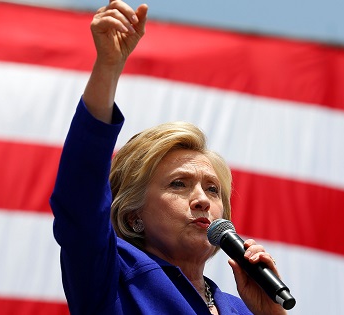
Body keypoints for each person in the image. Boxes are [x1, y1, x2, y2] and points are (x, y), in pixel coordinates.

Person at [50, 1, 288, 314]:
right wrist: (107, 67)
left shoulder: (242, 308)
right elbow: (80, 199)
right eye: (179, 184)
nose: (202, 200)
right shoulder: (115, 277)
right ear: (134, 216)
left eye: (213, 189)